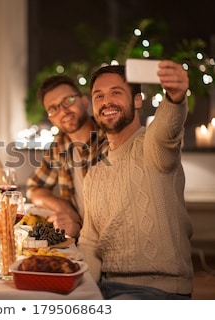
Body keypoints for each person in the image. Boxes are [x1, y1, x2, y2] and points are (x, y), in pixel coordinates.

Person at [79, 61, 193, 299]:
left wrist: (175, 97)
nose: (106, 101)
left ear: (138, 100)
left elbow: (167, 127)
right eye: (98, 96)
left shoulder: (153, 146)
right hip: (105, 287)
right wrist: (83, 292)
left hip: (157, 291)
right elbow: (90, 241)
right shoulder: (95, 173)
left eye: (116, 93)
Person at [26, 75, 108, 238]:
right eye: (54, 108)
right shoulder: (60, 144)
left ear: (85, 102)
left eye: (68, 100)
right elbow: (34, 188)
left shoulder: (109, 139)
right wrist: (65, 208)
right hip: (78, 240)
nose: (63, 110)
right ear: (51, 119)